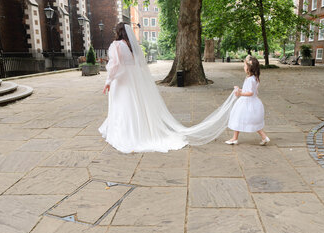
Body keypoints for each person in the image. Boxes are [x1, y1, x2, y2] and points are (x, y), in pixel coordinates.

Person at [99, 22, 238, 153]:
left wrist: (108, 81)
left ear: (118, 32)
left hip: (121, 82)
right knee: (133, 106)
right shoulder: (131, 48)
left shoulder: (116, 45)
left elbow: (115, 65)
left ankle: (124, 134)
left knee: (122, 106)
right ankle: (138, 132)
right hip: (132, 83)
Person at [225, 55, 270, 146]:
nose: (243, 67)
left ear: (249, 68)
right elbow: (251, 90)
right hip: (253, 102)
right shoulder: (255, 78)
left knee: (238, 118)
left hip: (246, 103)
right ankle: (264, 137)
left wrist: (240, 94)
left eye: (245, 66)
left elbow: (250, 93)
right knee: (251, 122)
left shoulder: (250, 79)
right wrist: (240, 89)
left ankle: (235, 138)